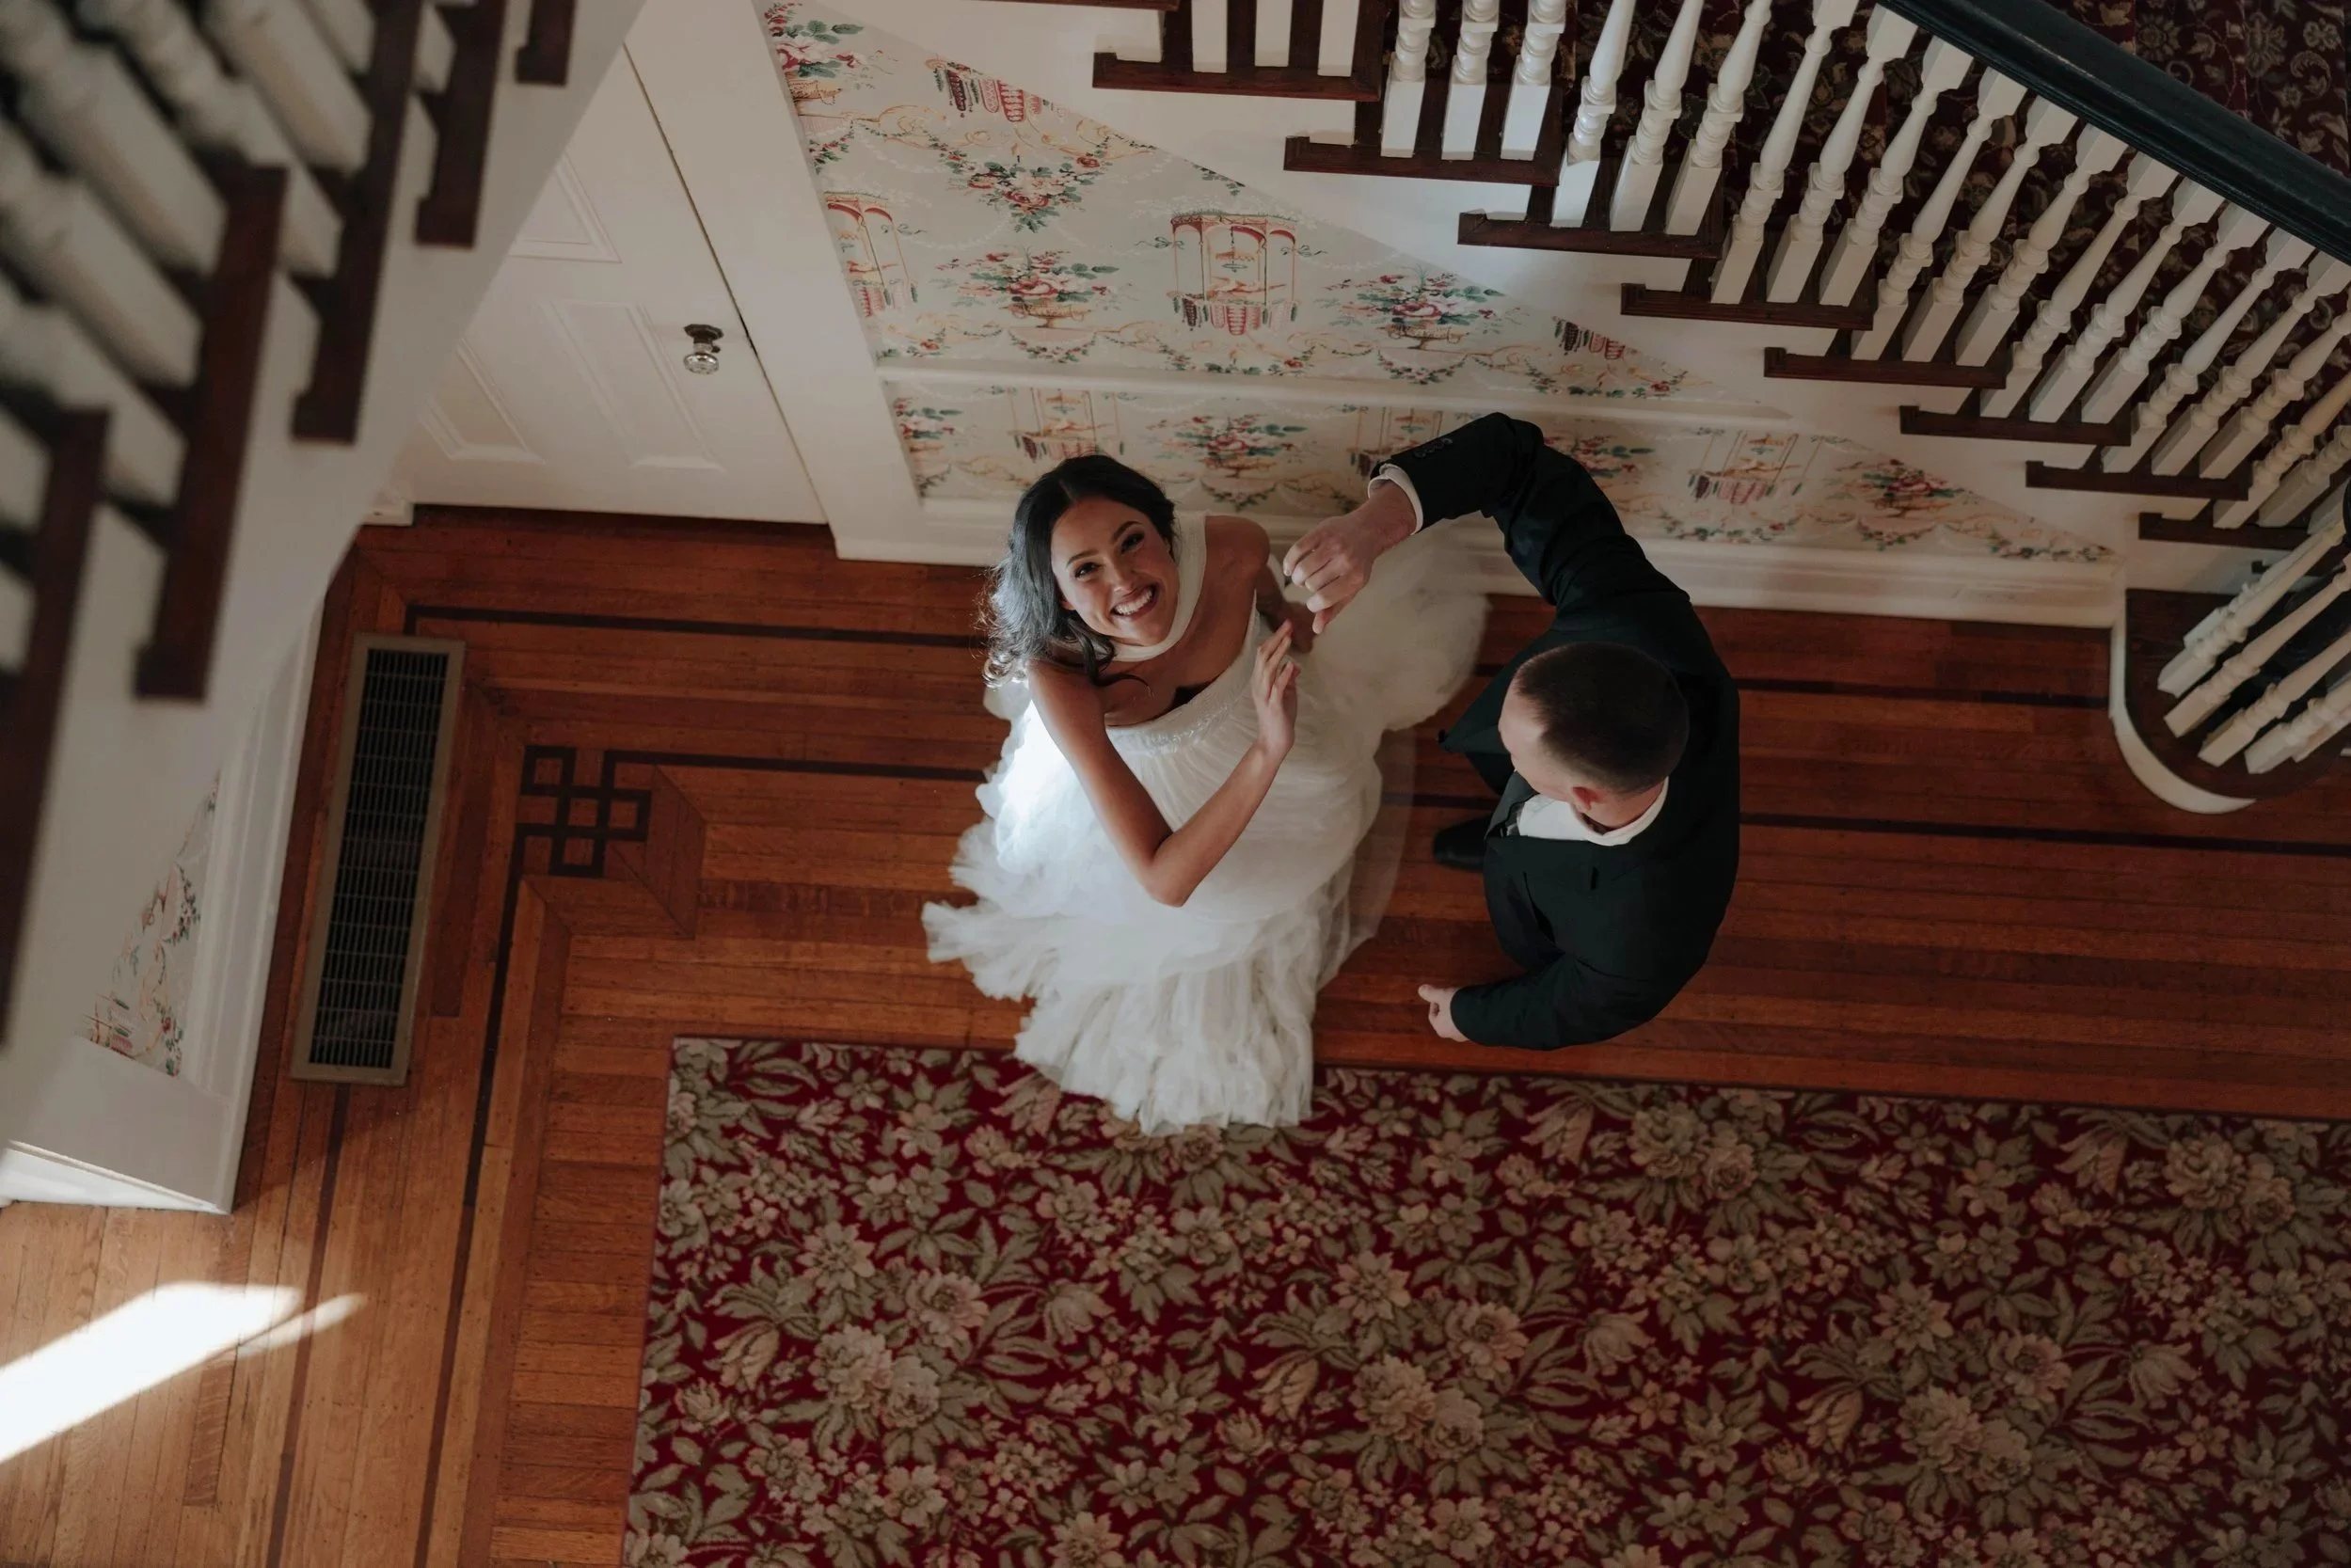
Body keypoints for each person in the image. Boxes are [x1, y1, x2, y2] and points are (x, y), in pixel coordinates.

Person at [924, 454, 1486, 1132]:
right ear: (1062, 596)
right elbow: (1163, 879)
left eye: (1131, 541)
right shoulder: (1061, 673)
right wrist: (1266, 750)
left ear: (1165, 531)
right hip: (1173, 803)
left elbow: (1272, 603)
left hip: (1279, 730)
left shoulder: (1234, 548)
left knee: (1326, 812)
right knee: (1227, 896)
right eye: (1086, 569)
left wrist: (1298, 636)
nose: (1125, 581)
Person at [1283, 412, 1740, 1050]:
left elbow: (1577, 1005)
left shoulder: (1645, 933)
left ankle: (1514, 864)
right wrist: (1370, 530)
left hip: (1562, 917)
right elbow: (1511, 456)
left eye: (1518, 756)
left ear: (1579, 796)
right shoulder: (1633, 619)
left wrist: (1471, 1016)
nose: (1496, 739)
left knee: (1531, 929)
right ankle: (1505, 842)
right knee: (1509, 827)